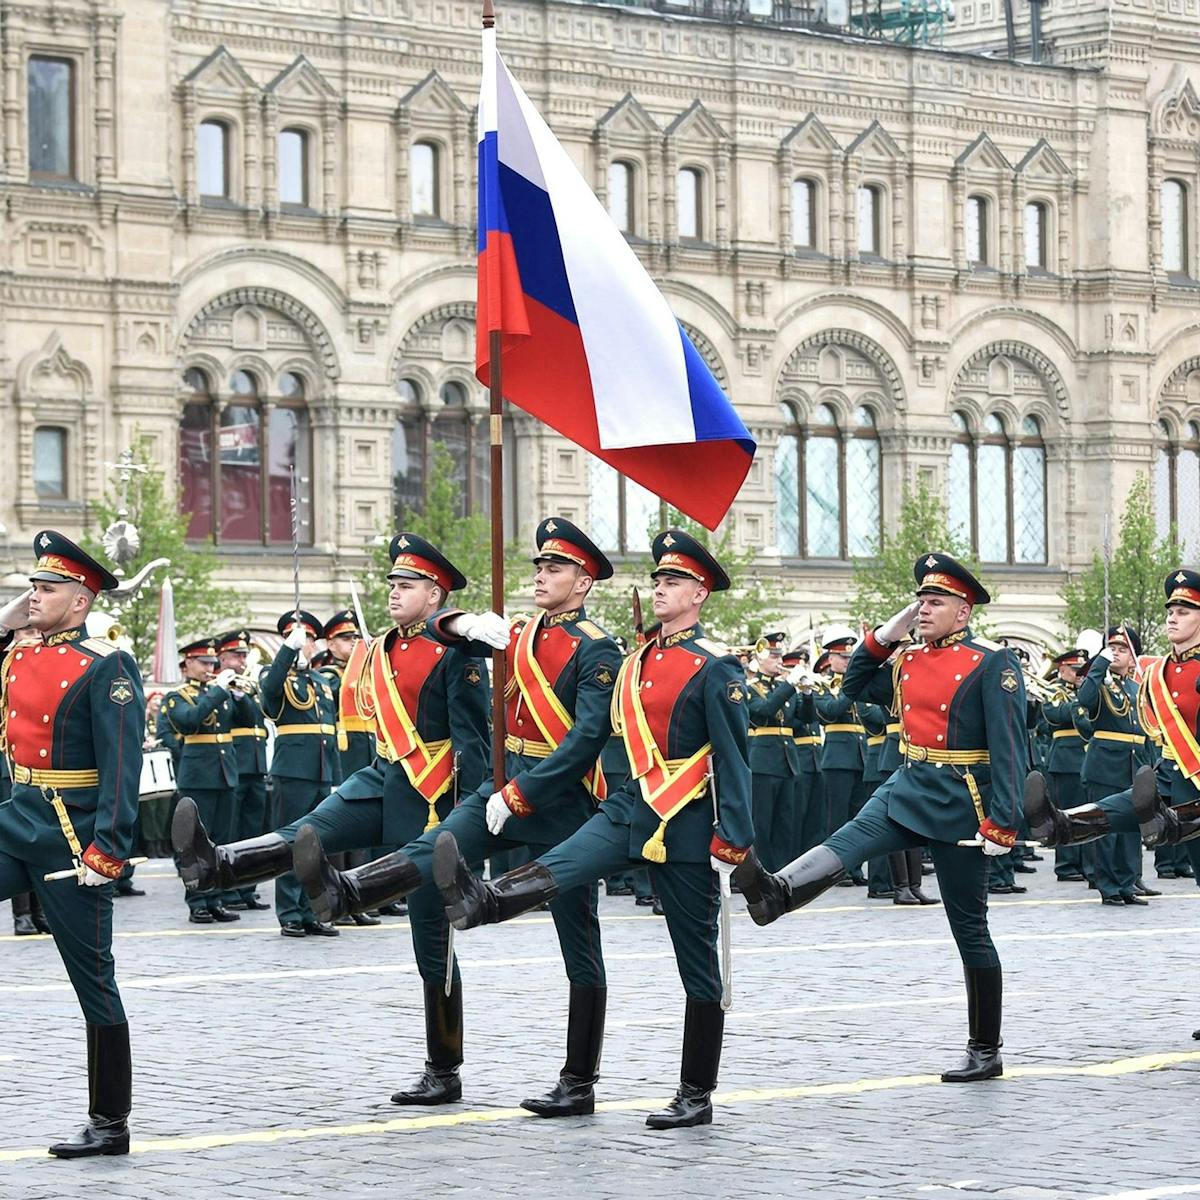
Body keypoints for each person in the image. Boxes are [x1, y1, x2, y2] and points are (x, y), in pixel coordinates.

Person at [291, 518, 622, 1116]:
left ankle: (579, 1080)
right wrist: (465, 622)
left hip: (564, 805)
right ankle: (350, 892)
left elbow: (587, 736)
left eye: (555, 569)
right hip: (503, 791)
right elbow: (442, 629)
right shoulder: (516, 635)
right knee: (435, 845)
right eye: (539, 567)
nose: (541, 576)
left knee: (579, 942)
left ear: (583, 582)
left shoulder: (596, 647)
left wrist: (520, 792)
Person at [429, 529, 752, 1130]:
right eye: (657, 579)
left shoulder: (716, 667)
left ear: (700, 594)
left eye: (673, 581)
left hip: (683, 820)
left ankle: (695, 1091)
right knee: (563, 864)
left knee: (696, 963)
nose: (660, 588)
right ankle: (484, 902)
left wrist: (733, 838)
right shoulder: (636, 661)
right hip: (630, 806)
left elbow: (735, 760)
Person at [174, 533, 492, 1095]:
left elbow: (473, 743)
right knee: (309, 833)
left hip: (430, 795)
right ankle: (218, 866)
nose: (393, 592)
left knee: (431, 944)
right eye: (391, 582)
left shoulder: (456, 652)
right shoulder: (385, 646)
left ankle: (443, 1070)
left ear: (436, 593)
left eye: (407, 584)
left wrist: (461, 816)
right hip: (383, 773)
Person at [734, 553, 1026, 1083]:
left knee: (970, 928)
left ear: (964, 611)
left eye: (936, 601)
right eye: (921, 600)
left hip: (962, 800)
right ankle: (777, 892)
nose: (925, 608)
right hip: (907, 784)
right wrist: (888, 632)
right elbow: (854, 685)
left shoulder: (992, 662)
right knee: (848, 839)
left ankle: (986, 1047)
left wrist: (1004, 821)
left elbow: (1010, 746)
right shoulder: (910, 659)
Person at [0, 531, 144, 1156]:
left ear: (80, 601)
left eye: (47, 588)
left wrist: (107, 850)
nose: (34, 595)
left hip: (70, 838)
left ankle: (110, 1122)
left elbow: (121, 767)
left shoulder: (105, 665)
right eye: (32, 585)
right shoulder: (20, 656)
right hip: (18, 817)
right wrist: (17, 612)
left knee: (93, 980)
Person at [1025, 570, 1200, 960]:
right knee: (1129, 805)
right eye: (1171, 608)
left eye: (1185, 610)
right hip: (1174, 777)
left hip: (1194, 786)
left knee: (1149, 808)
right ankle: (1062, 825)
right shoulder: (1158, 673)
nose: (1173, 616)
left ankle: (1166, 825)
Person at [161, 638, 241, 924]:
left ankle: (216, 898)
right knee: (196, 842)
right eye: (204, 663)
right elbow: (189, 721)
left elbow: (248, 720)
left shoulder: (220, 693)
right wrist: (219, 691)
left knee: (220, 842)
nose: (210, 667)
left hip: (225, 773)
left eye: (212, 663)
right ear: (188, 665)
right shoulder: (177, 696)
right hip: (199, 777)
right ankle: (197, 901)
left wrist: (241, 695)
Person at [1075, 626, 1153, 906]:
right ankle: (1108, 887)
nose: (1117, 652)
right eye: (1113, 648)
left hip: (1134, 764)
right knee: (1106, 827)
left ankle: (1127, 883)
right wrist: (1100, 664)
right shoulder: (1099, 683)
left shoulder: (1136, 688)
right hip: (1105, 764)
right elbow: (1084, 700)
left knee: (1131, 828)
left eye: (1123, 649)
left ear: (1133, 658)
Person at [317, 610, 380, 927]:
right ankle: (338, 898)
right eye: (346, 638)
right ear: (330, 644)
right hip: (339, 759)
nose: (354, 643)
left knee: (363, 829)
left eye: (356, 638)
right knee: (340, 830)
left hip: (364, 755)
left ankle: (362, 897)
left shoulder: (361, 673)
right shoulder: (328, 678)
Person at [217, 630, 271, 911]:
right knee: (231, 831)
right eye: (235, 656)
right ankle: (227, 890)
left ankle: (248, 889)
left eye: (243, 655)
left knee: (253, 832)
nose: (241, 660)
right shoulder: (218, 687)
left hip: (256, 765)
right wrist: (234, 693)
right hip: (234, 765)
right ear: (221, 658)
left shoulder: (249, 685)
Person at [746, 633, 808, 872]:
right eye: (773, 655)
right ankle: (760, 872)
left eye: (779, 655)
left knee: (786, 822)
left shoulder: (784, 689)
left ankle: (782, 871)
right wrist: (789, 685)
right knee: (762, 822)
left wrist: (807, 693)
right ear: (760, 658)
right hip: (763, 762)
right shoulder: (750, 688)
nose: (778, 659)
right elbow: (765, 711)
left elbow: (805, 719)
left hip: (787, 761)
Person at [1041, 649, 1091, 883]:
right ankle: (1066, 864)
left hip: (1086, 757)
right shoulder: (1054, 689)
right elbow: (1054, 714)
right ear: (1062, 669)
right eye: (1074, 670)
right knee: (1067, 813)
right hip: (1065, 758)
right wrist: (1080, 703)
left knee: (1086, 813)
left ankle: (1084, 863)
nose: (1078, 674)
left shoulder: (1082, 691)